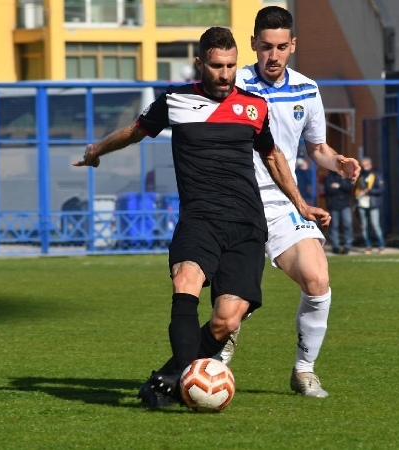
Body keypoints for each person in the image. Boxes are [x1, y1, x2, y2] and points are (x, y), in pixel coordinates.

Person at [72, 26, 330, 409]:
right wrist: (97, 149)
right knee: (185, 282)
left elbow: (273, 157)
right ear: (200, 64)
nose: (225, 74)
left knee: (227, 321)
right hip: (200, 219)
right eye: (215, 66)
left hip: (246, 223)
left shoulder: (253, 107)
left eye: (229, 66)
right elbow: (134, 132)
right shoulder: (175, 101)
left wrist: (300, 204)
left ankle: (167, 377)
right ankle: (176, 386)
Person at [227, 6, 360, 398]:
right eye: (266, 46)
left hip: (286, 202)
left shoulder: (307, 89)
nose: (274, 55)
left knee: (318, 281)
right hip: (239, 203)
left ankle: (304, 370)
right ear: (253, 44)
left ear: (293, 46)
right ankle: (216, 356)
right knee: (234, 303)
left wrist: (339, 163)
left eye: (282, 47)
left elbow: (316, 148)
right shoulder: (233, 85)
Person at [355, 157, 386, 253]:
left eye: (366, 166)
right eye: (362, 166)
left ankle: (381, 245)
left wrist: (369, 191)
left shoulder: (377, 174)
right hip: (361, 202)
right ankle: (367, 245)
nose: (364, 168)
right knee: (364, 225)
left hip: (373, 203)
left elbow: (381, 189)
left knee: (375, 225)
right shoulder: (360, 176)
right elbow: (355, 187)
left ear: (370, 165)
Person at [324, 169, 354, 254]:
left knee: (347, 224)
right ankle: (335, 246)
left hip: (345, 205)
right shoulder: (329, 177)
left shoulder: (346, 177)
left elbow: (348, 188)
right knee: (334, 226)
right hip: (333, 205)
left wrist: (338, 185)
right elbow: (329, 190)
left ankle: (347, 245)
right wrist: (340, 187)